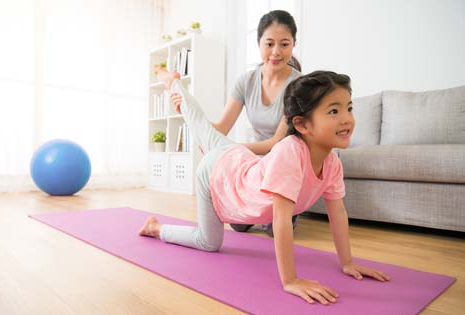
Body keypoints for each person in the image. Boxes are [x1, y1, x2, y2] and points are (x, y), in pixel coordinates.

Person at [139, 68, 390, 304]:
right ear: (302, 125)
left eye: (349, 108)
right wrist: (291, 280)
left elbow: (338, 213)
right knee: (208, 242)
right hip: (217, 173)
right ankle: (157, 229)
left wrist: (347, 262)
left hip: (237, 157)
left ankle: (174, 82)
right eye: (334, 111)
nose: (347, 119)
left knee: (199, 123)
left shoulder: (332, 162)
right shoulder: (290, 153)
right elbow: (280, 220)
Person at [172, 10, 302, 236]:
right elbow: (220, 128)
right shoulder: (246, 81)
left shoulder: (299, 85)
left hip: (283, 163)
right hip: (254, 164)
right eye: (269, 43)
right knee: (239, 225)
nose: (276, 52)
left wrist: (230, 150)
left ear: (293, 45)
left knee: (275, 231)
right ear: (259, 43)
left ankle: (286, 209)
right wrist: (187, 112)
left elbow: (275, 143)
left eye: (284, 44)